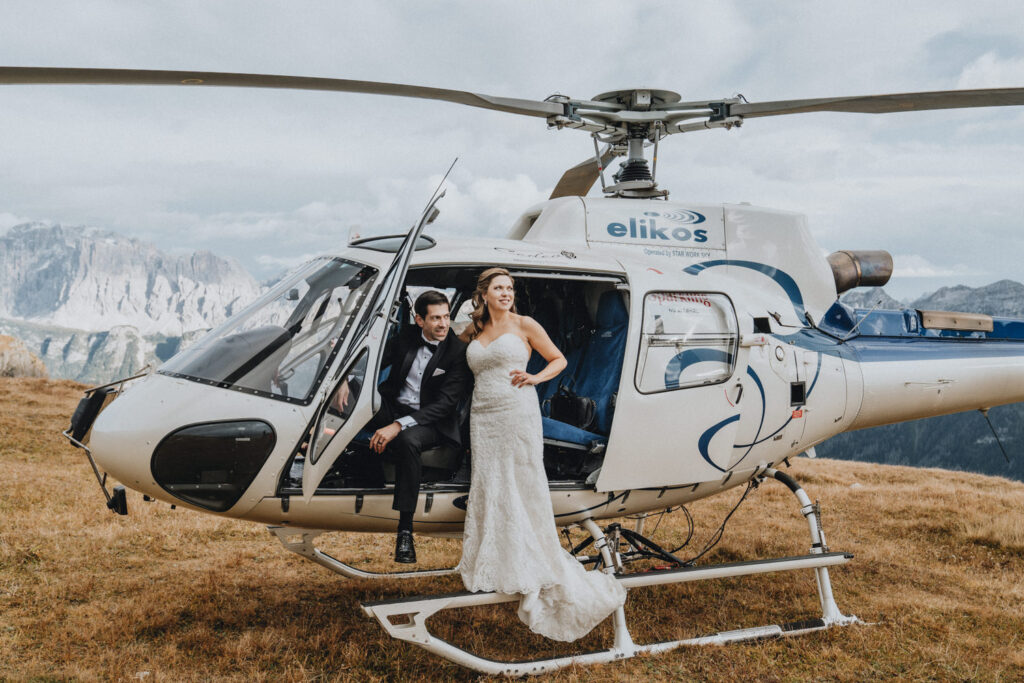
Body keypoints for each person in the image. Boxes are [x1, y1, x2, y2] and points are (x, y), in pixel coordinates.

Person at [457, 267, 627, 641]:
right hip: (483, 415)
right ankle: (495, 557)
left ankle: (529, 557)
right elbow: (454, 353)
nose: (506, 293)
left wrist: (536, 378)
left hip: (517, 410)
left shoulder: (525, 324)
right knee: (490, 479)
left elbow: (559, 360)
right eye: (499, 288)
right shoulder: (474, 331)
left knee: (520, 480)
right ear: (484, 294)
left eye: (510, 288)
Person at [366, 289, 471, 563]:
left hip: (432, 420)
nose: (443, 324)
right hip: (393, 406)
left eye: (447, 317)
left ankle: (404, 530)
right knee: (354, 396)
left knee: (408, 441)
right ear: (419, 320)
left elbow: (445, 405)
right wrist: (347, 381)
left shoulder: (457, 352)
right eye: (435, 318)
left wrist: (398, 425)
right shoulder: (405, 338)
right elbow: (372, 361)